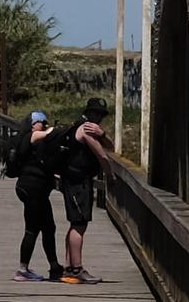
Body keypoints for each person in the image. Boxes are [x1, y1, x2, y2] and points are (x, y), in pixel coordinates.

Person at [54, 95, 120, 283]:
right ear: (88, 112)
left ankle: (69, 267)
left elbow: (111, 146)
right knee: (79, 224)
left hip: (73, 180)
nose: (98, 118)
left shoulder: (83, 127)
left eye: (101, 115)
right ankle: (77, 269)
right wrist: (111, 177)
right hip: (78, 182)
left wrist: (102, 134)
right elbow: (104, 156)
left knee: (76, 223)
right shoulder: (86, 130)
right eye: (96, 113)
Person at [9, 108, 63, 280]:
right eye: (42, 122)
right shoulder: (31, 136)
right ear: (33, 125)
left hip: (33, 189)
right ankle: (22, 270)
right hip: (33, 189)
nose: (45, 125)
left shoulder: (31, 141)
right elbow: (49, 134)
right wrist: (57, 129)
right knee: (32, 229)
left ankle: (54, 266)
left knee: (48, 227)